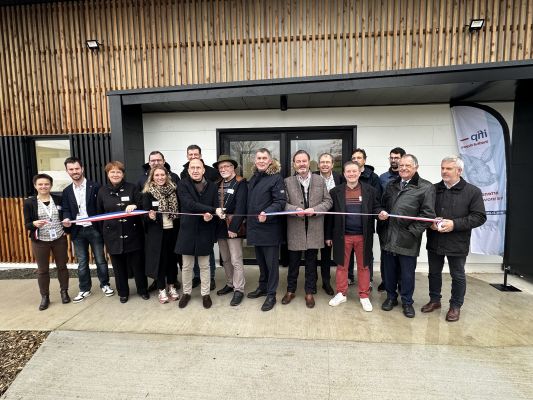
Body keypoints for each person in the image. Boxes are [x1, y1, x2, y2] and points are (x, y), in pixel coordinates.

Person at [422, 156, 486, 322]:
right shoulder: (433, 189)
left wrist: (454, 224)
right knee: (434, 273)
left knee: (457, 275)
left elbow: (479, 217)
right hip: (435, 239)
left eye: (448, 168)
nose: (444, 171)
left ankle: (455, 306)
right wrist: (431, 223)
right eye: (442, 168)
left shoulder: (472, 191)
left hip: (458, 241)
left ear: (459, 171)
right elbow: (425, 212)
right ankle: (434, 300)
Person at [379, 154, 436, 318]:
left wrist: (412, 232)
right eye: (401, 165)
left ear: (416, 167)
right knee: (389, 272)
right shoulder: (391, 185)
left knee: (407, 274)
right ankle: (391, 298)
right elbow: (383, 206)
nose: (403, 168)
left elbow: (428, 215)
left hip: (408, 239)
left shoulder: (425, 187)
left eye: (407, 166)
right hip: (389, 236)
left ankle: (407, 302)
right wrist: (381, 215)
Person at [325, 162, 385, 311]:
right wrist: (328, 235)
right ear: (344, 174)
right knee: (341, 266)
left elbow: (376, 207)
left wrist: (381, 213)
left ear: (359, 173)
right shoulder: (335, 191)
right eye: (348, 172)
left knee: (364, 266)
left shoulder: (370, 190)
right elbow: (329, 217)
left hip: (363, 236)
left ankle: (364, 296)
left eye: (354, 171)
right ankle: (341, 293)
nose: (351, 174)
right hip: (342, 235)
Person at [283, 150, 332, 308]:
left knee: (311, 263)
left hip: (315, 229)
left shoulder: (319, 180)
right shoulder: (287, 181)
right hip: (295, 229)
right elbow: (282, 203)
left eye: (304, 161)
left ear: (309, 162)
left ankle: (309, 292)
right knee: (293, 263)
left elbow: (328, 201)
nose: (302, 164)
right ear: (294, 164)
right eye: (298, 161)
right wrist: (294, 209)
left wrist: (316, 209)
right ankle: (290, 290)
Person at [62, 157, 114, 303]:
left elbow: (102, 206)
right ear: (67, 171)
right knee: (82, 262)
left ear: (82, 169)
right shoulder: (66, 191)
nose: (75, 172)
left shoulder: (95, 187)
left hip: (94, 228)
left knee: (100, 260)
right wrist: (66, 219)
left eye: (77, 168)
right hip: (77, 231)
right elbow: (66, 209)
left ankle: (105, 284)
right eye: (71, 169)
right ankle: (84, 288)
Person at [97, 161, 149, 303]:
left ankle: (142, 290)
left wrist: (135, 205)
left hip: (133, 233)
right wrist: (104, 233)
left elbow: (142, 205)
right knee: (118, 268)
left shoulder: (132, 188)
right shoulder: (102, 191)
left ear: (123, 174)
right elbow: (99, 214)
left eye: (118, 172)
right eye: (112, 172)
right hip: (112, 235)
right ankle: (123, 293)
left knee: (138, 265)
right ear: (108, 174)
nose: (115, 174)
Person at [175, 158, 220, 309]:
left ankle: (205, 294)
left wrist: (210, 216)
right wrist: (212, 211)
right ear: (188, 171)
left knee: (205, 265)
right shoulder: (182, 184)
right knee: (187, 266)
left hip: (205, 231)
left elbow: (214, 207)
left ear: (203, 170)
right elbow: (189, 204)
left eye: (198, 167)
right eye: (192, 168)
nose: (195, 170)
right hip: (187, 230)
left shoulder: (212, 186)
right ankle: (186, 293)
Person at [246, 148, 286, 312]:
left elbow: (280, 201)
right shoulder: (254, 178)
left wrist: (267, 213)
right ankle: (262, 287)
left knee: (271, 264)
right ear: (255, 161)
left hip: (269, 229)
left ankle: (271, 294)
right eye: (259, 158)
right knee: (261, 262)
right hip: (255, 228)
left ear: (270, 161)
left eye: (264, 158)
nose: (261, 161)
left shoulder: (276, 178)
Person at [23, 174, 71, 310]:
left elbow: (65, 215)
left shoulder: (58, 199)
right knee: (43, 270)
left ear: (50, 185)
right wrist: (34, 223)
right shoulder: (29, 202)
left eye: (46, 184)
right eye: (40, 184)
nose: (43, 186)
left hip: (59, 238)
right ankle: (45, 296)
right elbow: (27, 224)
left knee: (62, 266)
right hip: (40, 241)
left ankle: (64, 292)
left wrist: (67, 222)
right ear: (35, 186)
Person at [142, 165, 181, 304]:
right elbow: (144, 214)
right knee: (160, 262)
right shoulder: (148, 193)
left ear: (167, 176)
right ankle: (161, 289)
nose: (160, 178)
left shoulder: (173, 190)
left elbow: (180, 210)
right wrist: (150, 216)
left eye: (162, 175)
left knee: (171, 261)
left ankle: (172, 286)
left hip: (172, 231)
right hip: (157, 234)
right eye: (157, 175)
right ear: (152, 177)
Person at [213, 155, 248, 306]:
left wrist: (234, 227)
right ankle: (230, 283)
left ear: (233, 167)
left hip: (233, 226)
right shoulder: (217, 184)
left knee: (236, 259)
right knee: (225, 259)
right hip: (220, 226)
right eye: (221, 168)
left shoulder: (240, 183)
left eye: (226, 166)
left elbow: (241, 206)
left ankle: (239, 289)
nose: (223, 169)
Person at [349, 148, 383, 288]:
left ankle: (367, 279)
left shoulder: (373, 177)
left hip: (366, 222)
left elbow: (376, 198)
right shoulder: (348, 175)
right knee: (349, 252)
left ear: (364, 160)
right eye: (354, 158)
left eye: (359, 157)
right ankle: (349, 277)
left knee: (366, 252)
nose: (356, 160)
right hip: (350, 221)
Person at [313, 152, 344, 295]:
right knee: (311, 254)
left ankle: (326, 282)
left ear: (332, 164)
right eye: (322, 162)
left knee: (326, 254)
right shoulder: (312, 177)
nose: (325, 164)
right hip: (313, 219)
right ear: (318, 164)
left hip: (331, 221)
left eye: (328, 162)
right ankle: (311, 282)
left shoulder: (340, 178)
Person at [377, 147, 406, 292]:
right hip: (385, 223)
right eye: (391, 158)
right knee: (385, 254)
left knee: (401, 255)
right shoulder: (382, 178)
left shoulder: (407, 178)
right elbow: (378, 200)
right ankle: (386, 281)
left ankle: (401, 283)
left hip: (402, 225)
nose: (394, 160)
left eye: (397, 158)